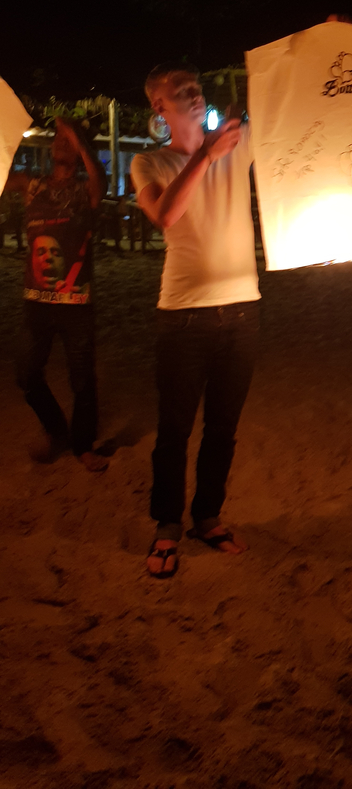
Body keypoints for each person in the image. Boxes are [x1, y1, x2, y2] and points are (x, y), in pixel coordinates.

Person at [130, 62, 260, 579]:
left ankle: (207, 517)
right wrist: (206, 154)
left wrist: (326, 52)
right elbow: (165, 215)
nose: (192, 92)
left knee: (223, 429)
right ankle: (167, 525)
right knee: (174, 430)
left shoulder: (234, 143)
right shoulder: (150, 162)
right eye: (178, 90)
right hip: (182, 316)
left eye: (195, 86)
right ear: (158, 107)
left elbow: (296, 119)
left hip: (243, 309)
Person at [7, 117, 109, 471]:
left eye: (69, 141)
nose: (61, 144)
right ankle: (56, 431)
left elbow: (100, 181)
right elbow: (4, 174)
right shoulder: (32, 187)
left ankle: (82, 445)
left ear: (81, 151)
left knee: (82, 379)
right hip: (36, 303)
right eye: (57, 139)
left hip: (77, 302)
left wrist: (79, 138)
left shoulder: (86, 190)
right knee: (26, 375)